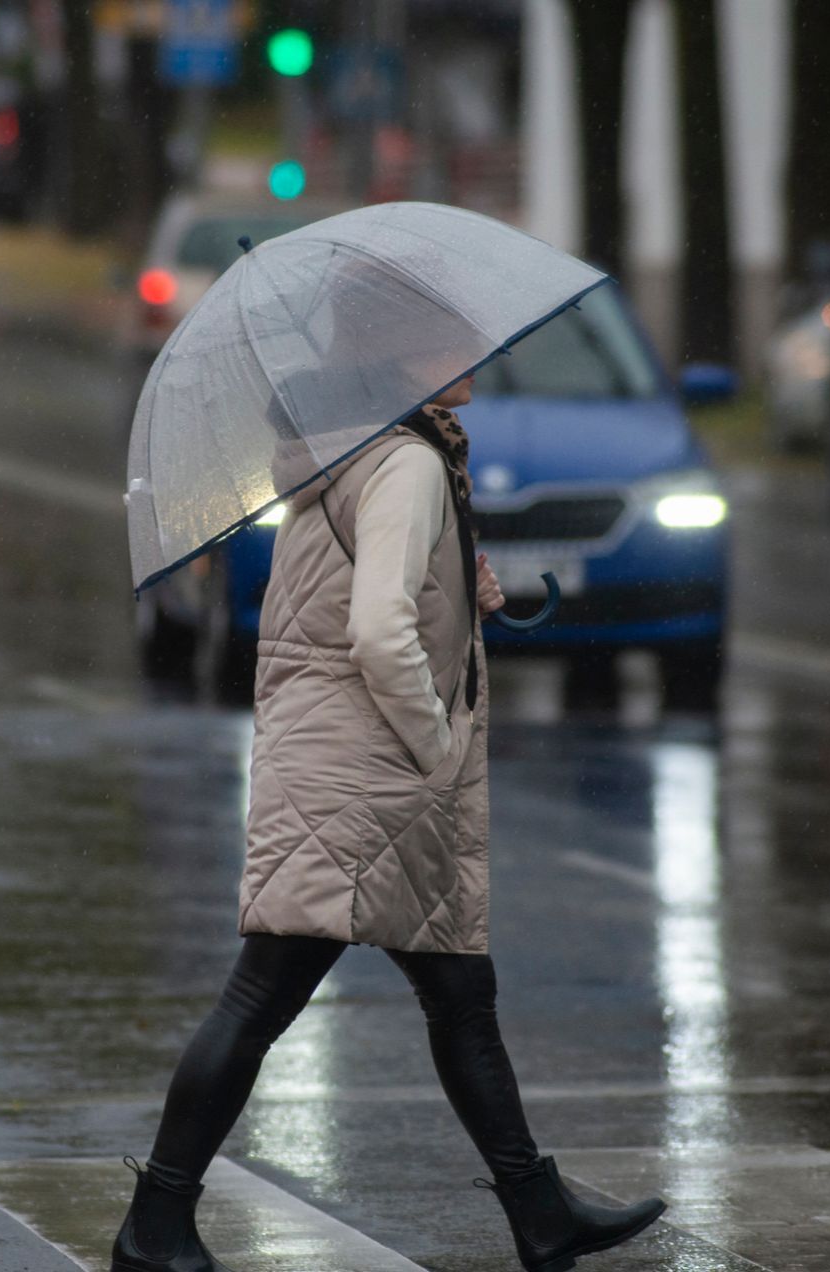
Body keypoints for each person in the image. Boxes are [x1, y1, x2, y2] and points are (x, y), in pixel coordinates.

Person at [111, 375, 667, 1272]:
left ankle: (539, 1209)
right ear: (404, 362)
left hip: (340, 762)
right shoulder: (405, 459)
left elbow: (347, 594)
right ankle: (154, 1222)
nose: (479, 359)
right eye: (455, 345)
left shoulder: (350, 450)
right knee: (264, 997)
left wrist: (461, 588)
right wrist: (437, 737)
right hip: (366, 776)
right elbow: (375, 630)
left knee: (458, 997)